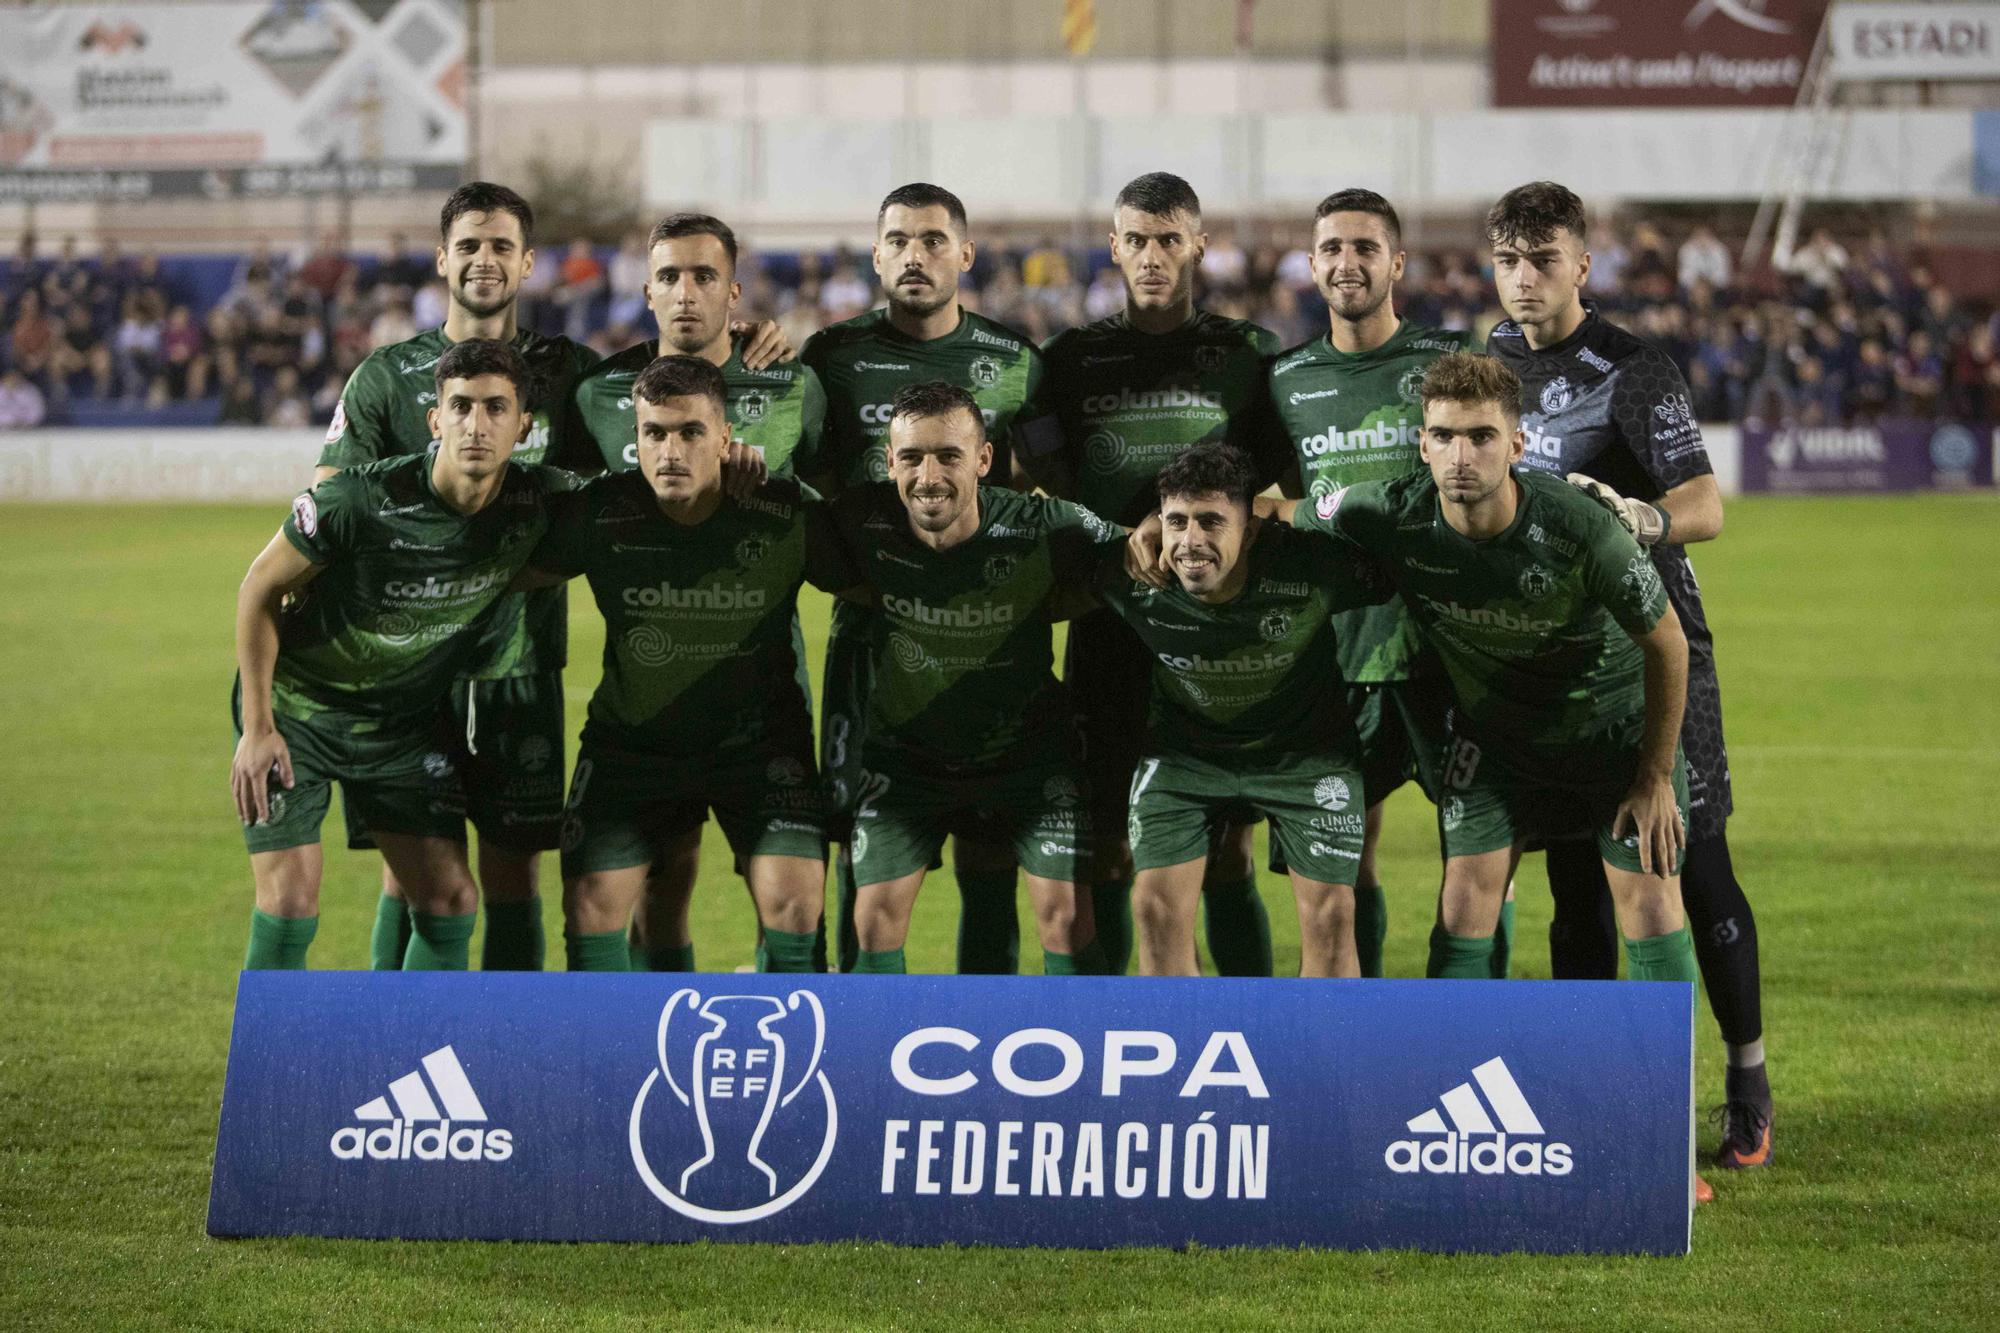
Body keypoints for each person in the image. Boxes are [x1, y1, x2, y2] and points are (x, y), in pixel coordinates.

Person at [1483, 180, 1772, 1174]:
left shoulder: (1631, 368)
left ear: (1580, 265)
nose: (1524, 278)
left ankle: (1745, 1075)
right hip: (1552, 666)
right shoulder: (1482, 368)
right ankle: (1589, 1094)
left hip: (1655, 650)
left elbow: (1702, 500)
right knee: (1575, 884)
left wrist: (1644, 517)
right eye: (1508, 259)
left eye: (1543, 258)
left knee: (1690, 867)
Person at [315, 182, 601, 974]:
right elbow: (331, 506)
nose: (484, 260)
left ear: (529, 262)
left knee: (516, 870)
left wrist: (753, 345)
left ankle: (505, 1059)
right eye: (468, 245)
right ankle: (388, 1052)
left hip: (520, 664)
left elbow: (617, 493)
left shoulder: (572, 375)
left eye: (501, 245)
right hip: (409, 672)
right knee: (411, 875)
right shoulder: (384, 376)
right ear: (442, 258)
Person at [229, 339, 571, 970]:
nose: (476, 424)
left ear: (523, 426)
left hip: (401, 728)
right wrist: (257, 728)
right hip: (299, 712)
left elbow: (638, 507)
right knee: (289, 901)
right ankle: (280, 1068)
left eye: (496, 408)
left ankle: (395, 1058)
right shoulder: (360, 500)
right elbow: (259, 588)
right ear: (434, 420)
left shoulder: (541, 504)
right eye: (461, 406)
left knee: (450, 900)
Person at [517, 356, 862, 972]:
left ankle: (789, 1057)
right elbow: (505, 572)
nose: (671, 450)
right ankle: (618, 1060)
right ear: (636, 440)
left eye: (691, 433)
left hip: (759, 749)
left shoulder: (785, 511)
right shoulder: (603, 512)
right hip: (633, 748)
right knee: (591, 908)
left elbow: (874, 586)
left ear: (726, 438)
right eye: (655, 433)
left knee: (796, 909)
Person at [798, 183, 1061, 974]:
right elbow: (803, 494)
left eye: (934, 240)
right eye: (900, 240)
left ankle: (984, 1031)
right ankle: (850, 1035)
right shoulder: (829, 359)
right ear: (876, 257)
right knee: (858, 849)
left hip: (989, 647)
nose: (916, 255)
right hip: (871, 641)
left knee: (990, 859)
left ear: (965, 255)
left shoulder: (1016, 364)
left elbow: (1053, 485)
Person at [1032, 171, 1284, 977]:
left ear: (1199, 245)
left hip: (1220, 635)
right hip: (1111, 627)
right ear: (1112, 248)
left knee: (1228, 851)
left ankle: (1256, 1030)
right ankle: (1111, 1034)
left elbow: (1281, 493)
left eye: (1169, 238)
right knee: (1107, 845)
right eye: (1136, 239)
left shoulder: (1248, 355)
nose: (1151, 255)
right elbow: (1045, 484)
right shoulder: (1069, 360)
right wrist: (1114, 545)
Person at [570, 211, 824, 971]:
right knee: (660, 887)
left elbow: (833, 506)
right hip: (648, 688)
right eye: (671, 277)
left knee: (788, 891)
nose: (687, 293)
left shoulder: (791, 384)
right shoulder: (599, 393)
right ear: (646, 291)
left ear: (734, 292)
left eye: (704, 276)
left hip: (759, 677)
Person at [824, 381, 1118, 974]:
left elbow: (1137, 552)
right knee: (873, 917)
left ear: (984, 461)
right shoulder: (860, 520)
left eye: (948, 456)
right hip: (907, 764)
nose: (928, 475)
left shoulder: (1044, 524)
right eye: (910, 457)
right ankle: (872, 1061)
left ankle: (1088, 1056)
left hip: (1028, 761)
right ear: (889, 463)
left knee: (1065, 917)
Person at [1268, 187, 1480, 979]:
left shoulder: (1448, 361)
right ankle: (1366, 1034)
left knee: (1480, 857)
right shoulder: (1287, 378)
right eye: (1331, 248)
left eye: (1364, 248)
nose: (1346, 263)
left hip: (1449, 647)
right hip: (1336, 653)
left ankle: (1464, 1029)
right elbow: (1273, 498)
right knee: (1341, 865)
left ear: (1396, 261)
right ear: (1312, 264)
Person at [1086, 443, 1389, 976]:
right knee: (1154, 908)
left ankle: (1321, 1056)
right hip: (1184, 760)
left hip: (1306, 757)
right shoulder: (1130, 574)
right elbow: (1047, 582)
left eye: (1211, 522)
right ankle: (1183, 1052)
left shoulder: (1314, 565)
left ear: (1250, 530)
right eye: (1176, 522)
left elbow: (1399, 565)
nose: (1190, 542)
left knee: (1333, 916)